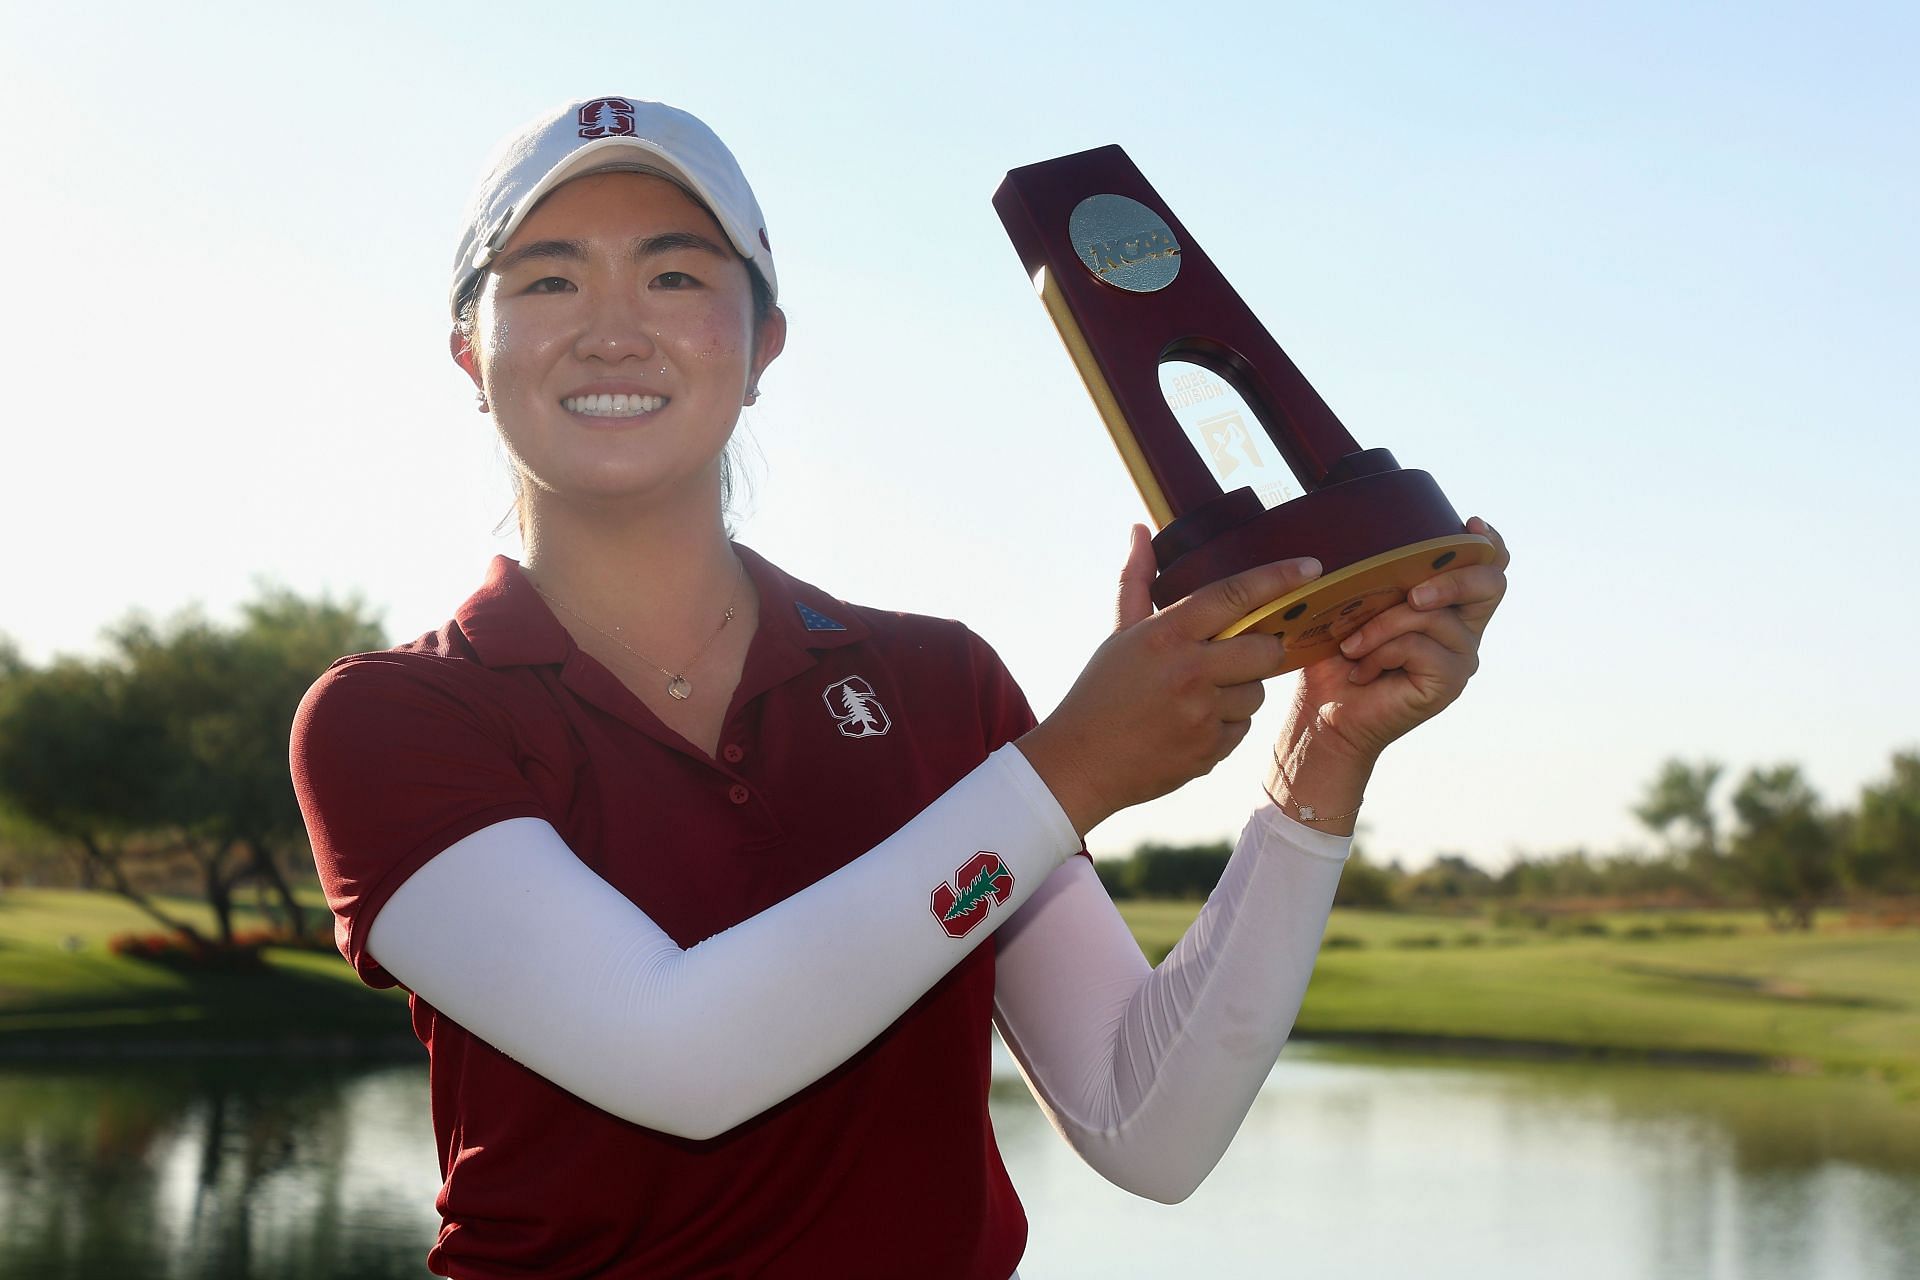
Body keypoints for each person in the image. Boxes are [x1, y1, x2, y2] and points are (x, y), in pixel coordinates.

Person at [290, 95, 1509, 1279]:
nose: (613, 327)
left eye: (674, 275)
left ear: (764, 342)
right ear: (470, 350)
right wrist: (1070, 771)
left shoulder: (939, 686)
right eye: (549, 279)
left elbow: (1149, 1122)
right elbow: (682, 1059)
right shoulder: (393, 720)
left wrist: (1320, 764)